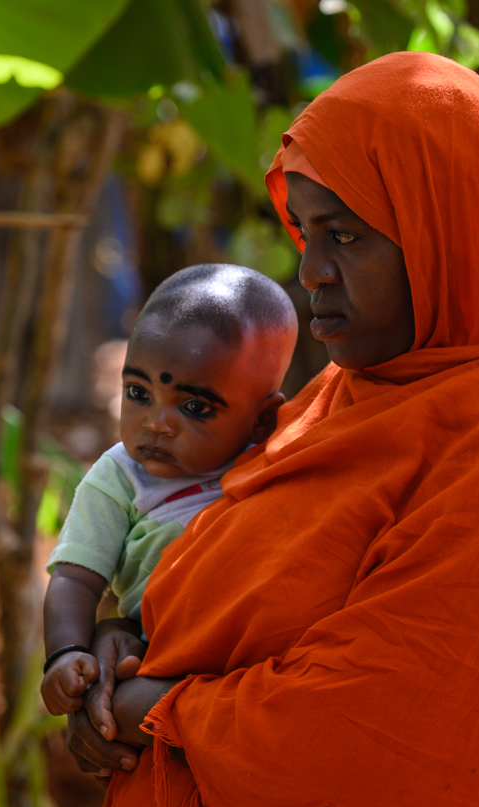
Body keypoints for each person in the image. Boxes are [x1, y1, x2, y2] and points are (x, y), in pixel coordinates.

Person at [68, 53, 479, 807]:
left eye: (346, 236)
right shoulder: (342, 395)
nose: (311, 272)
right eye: (305, 231)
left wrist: (155, 711)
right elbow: (214, 565)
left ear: (444, 228)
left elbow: (380, 700)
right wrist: (124, 639)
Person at [40, 265, 295, 727]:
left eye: (194, 407)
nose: (156, 422)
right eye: (138, 392)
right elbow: (76, 579)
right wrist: (67, 650)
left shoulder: (278, 463)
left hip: (259, 673)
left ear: (261, 421)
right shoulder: (118, 479)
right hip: (159, 661)